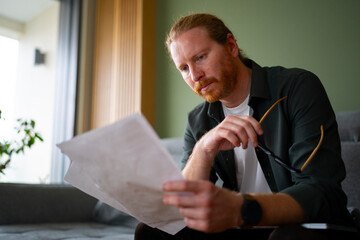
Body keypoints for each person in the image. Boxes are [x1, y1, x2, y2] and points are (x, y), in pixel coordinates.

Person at [135, 13, 357, 239]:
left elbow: (322, 192)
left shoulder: (297, 88)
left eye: (200, 57)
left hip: (298, 226)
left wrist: (240, 208)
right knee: (151, 232)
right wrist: (203, 149)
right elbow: (184, 206)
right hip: (242, 225)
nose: (195, 75)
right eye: (183, 68)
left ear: (231, 46)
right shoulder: (197, 121)